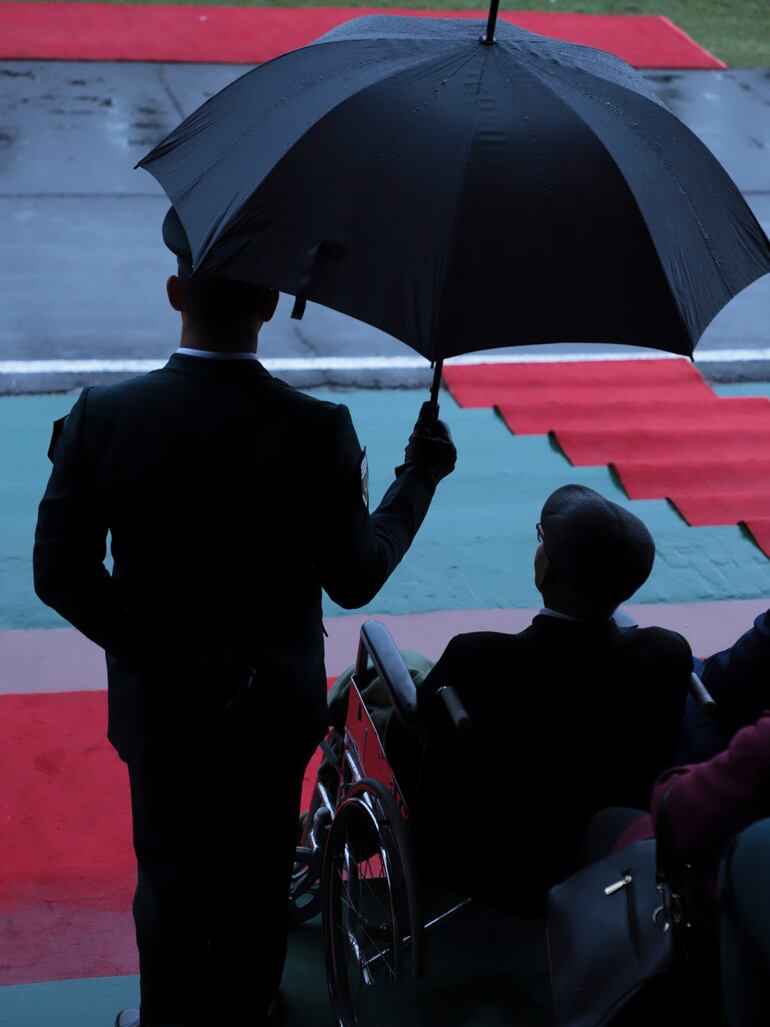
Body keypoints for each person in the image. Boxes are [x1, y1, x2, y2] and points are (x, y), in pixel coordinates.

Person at [32, 207, 457, 1027]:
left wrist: (177, 659)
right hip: (273, 706)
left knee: (169, 875)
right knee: (260, 875)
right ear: (269, 305)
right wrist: (419, 479)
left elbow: (62, 575)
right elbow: (357, 574)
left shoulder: (102, 418)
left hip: (162, 707)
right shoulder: (317, 429)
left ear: (173, 291)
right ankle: (250, 1008)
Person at [412, 484, 692, 910]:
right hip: (604, 851)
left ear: (545, 572)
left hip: (482, 855)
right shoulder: (666, 655)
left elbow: (415, 720)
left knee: (386, 674)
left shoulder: (476, 657)